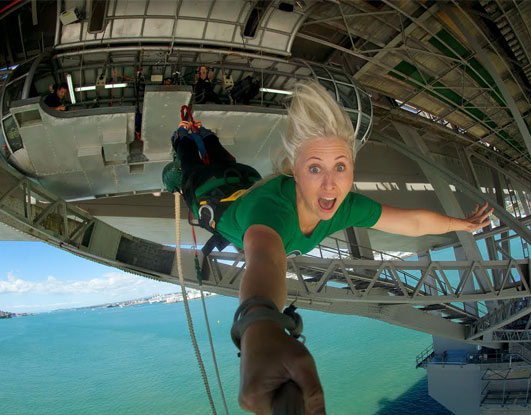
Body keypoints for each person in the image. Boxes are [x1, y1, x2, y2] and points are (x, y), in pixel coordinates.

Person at [172, 81, 493, 414]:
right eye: (315, 168)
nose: (329, 185)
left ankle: (202, 134)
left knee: (218, 152)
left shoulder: (346, 205)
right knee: (188, 155)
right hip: (212, 197)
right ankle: (184, 135)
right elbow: (265, 260)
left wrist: (462, 225)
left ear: (352, 168)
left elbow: (410, 222)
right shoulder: (271, 213)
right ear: (293, 170)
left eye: (340, 166)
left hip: (242, 181)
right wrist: (259, 325)